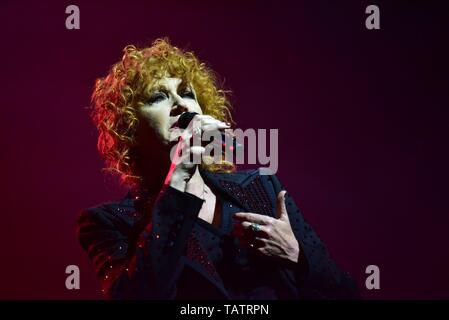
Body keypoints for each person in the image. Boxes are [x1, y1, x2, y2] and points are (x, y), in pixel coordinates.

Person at [77, 38, 359, 299]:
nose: (179, 104)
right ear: (130, 128)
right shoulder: (110, 223)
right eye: (157, 97)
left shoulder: (261, 187)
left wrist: (298, 256)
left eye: (187, 93)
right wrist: (178, 179)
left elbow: (346, 294)